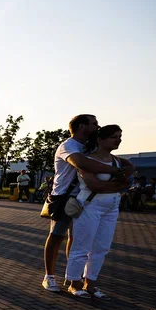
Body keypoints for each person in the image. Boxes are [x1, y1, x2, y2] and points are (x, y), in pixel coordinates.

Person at [42, 114, 134, 293]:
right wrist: (116, 171)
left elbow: (124, 163)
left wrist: (126, 169)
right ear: (82, 127)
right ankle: (49, 276)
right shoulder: (68, 146)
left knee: (76, 239)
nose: (97, 126)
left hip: (84, 199)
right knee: (56, 236)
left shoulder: (90, 146)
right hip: (64, 197)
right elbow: (82, 163)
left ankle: (73, 278)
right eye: (94, 124)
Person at [64, 125, 126, 299]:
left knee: (102, 248)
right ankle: (74, 283)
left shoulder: (116, 161)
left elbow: (126, 183)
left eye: (120, 136)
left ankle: (90, 282)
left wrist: (115, 186)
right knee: (81, 246)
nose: (118, 139)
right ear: (100, 139)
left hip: (112, 206)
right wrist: (116, 185)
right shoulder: (88, 160)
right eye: (114, 136)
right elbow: (94, 185)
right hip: (90, 205)